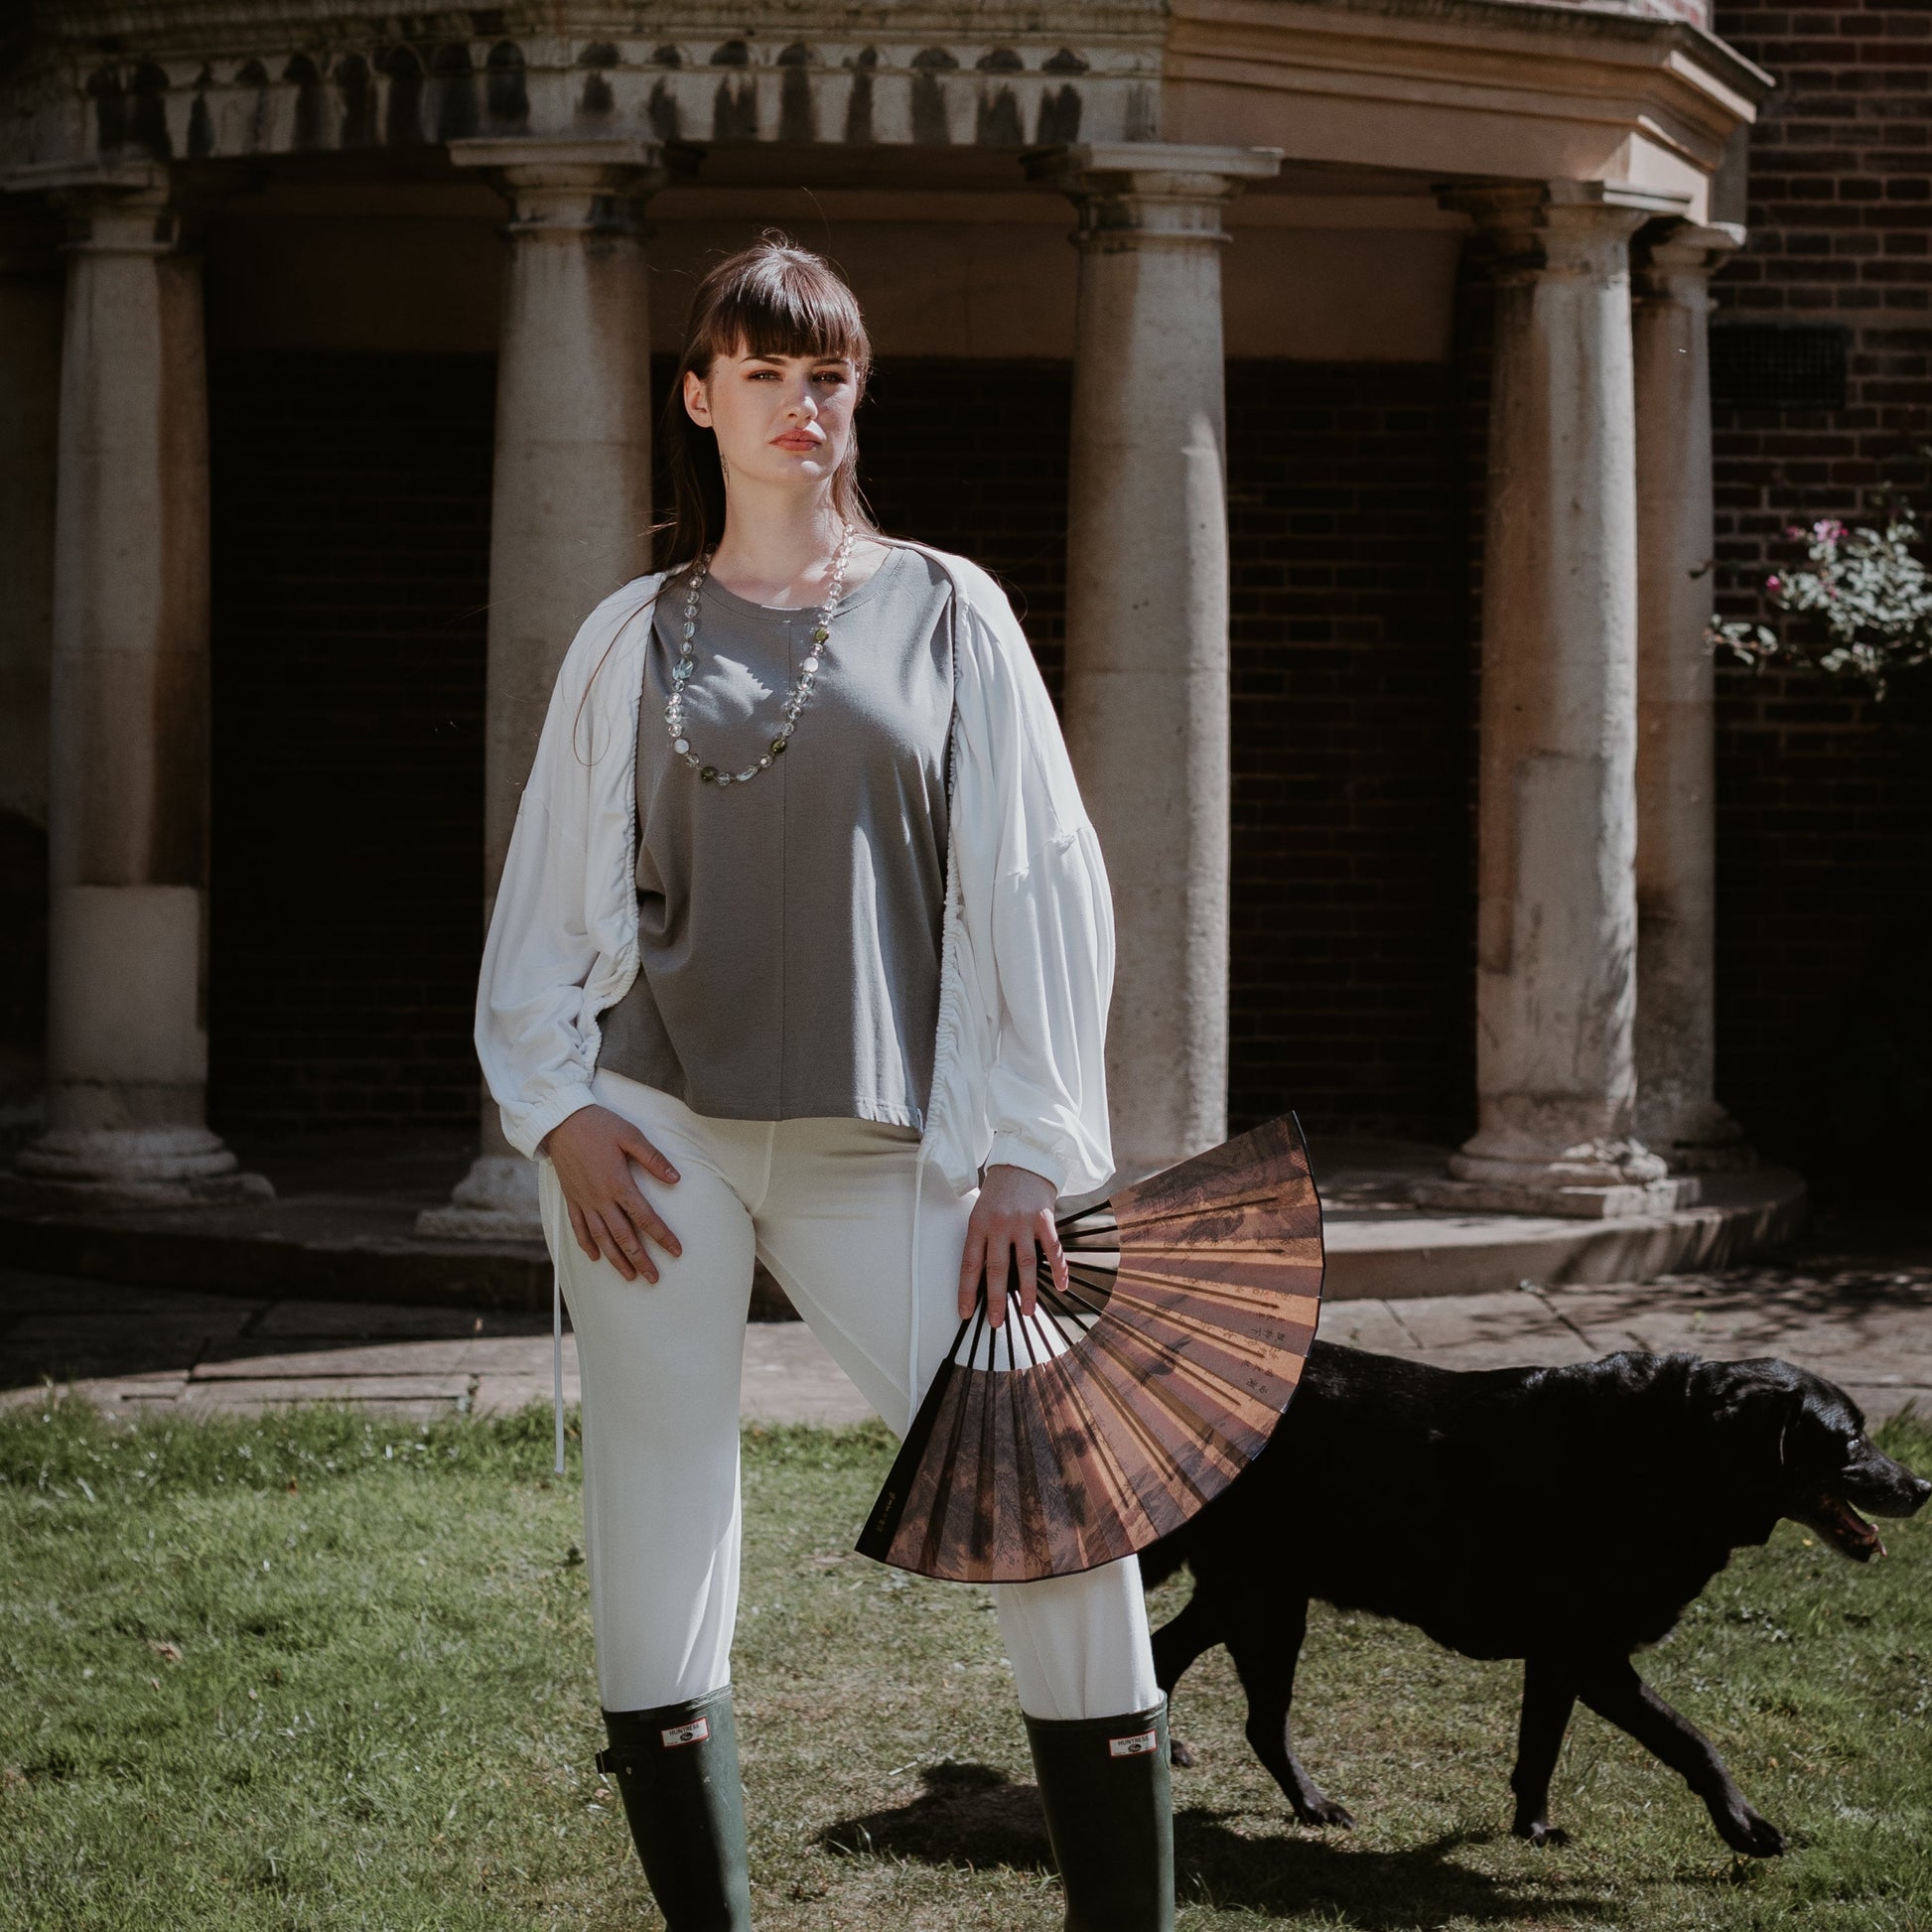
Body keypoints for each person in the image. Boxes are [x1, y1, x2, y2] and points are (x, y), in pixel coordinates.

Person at [474, 232, 1173, 1930]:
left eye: (829, 372)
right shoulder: (629, 634)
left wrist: (1024, 1152)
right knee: (658, 1523)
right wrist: (553, 1103)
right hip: (653, 1141)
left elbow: (1035, 884)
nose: (804, 404)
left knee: (1054, 1496)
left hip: (902, 1142)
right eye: (766, 373)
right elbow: (556, 892)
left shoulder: (947, 607)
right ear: (700, 398)